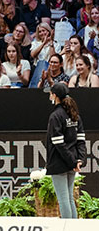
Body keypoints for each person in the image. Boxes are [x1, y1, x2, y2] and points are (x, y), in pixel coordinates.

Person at [44, 82, 86, 219]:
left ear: (55, 96)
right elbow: (80, 141)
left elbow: (58, 144)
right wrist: (78, 160)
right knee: (68, 198)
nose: (49, 96)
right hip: (71, 162)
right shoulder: (75, 115)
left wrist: (73, 161)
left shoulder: (55, 116)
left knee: (63, 199)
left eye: (50, 93)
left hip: (59, 162)